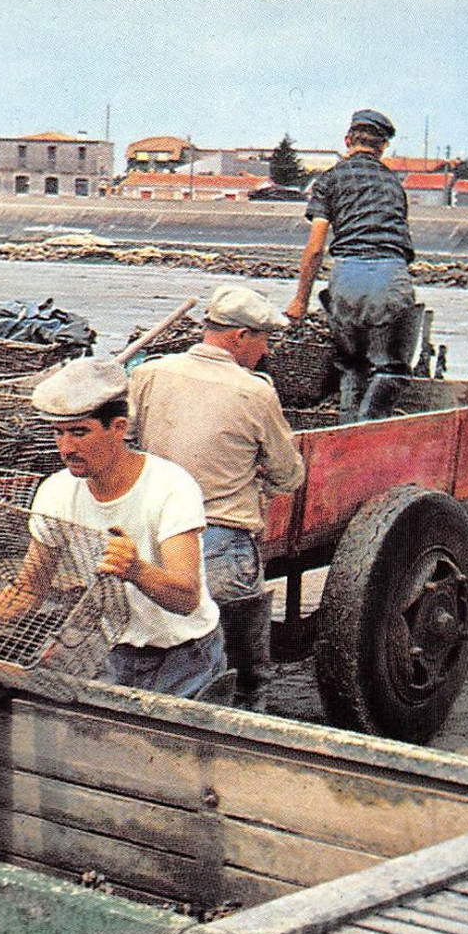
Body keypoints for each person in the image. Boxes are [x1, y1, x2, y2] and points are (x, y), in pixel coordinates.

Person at [0, 360, 226, 698]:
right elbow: (29, 589)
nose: (67, 448)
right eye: (59, 433)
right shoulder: (56, 492)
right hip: (119, 649)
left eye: (80, 432)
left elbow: (187, 598)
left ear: (118, 428)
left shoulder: (170, 486)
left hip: (186, 655)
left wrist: (136, 570)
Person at [130, 284, 305, 711]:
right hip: (222, 545)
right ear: (239, 337)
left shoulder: (149, 373)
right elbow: (289, 474)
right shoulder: (255, 391)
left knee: (158, 659)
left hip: (154, 540)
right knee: (241, 677)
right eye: (263, 340)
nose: (265, 352)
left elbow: (127, 444)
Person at [285, 108, 420, 422]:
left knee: (351, 365)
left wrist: (300, 301)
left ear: (347, 140)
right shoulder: (394, 185)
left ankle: (347, 432)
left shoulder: (329, 180)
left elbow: (316, 248)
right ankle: (369, 428)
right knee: (391, 368)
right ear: (383, 147)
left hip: (347, 275)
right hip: (390, 273)